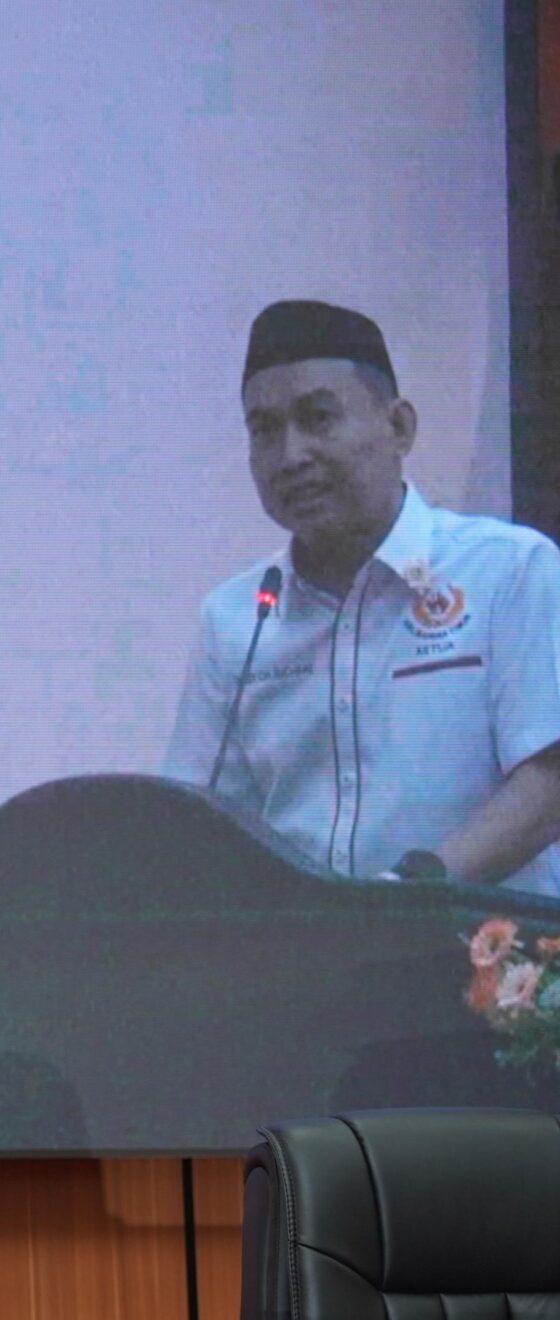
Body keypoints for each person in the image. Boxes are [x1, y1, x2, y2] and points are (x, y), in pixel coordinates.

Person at [165, 299, 560, 891]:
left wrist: (407, 894)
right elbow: (198, 822)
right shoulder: (235, 617)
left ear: (399, 428)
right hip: (305, 948)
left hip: (476, 940)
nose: (290, 456)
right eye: (265, 430)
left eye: (318, 418)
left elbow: (548, 784)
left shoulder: (508, 570)